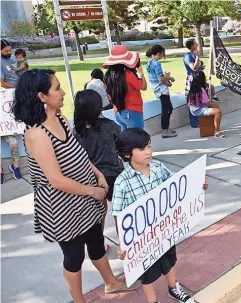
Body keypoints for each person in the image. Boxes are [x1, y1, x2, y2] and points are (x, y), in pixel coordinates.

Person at [12, 69, 140, 302]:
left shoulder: (60, 119)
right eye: (57, 88)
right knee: (73, 256)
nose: (62, 93)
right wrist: (94, 191)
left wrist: (98, 173)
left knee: (96, 241)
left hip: (85, 196)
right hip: (62, 205)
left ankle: (111, 283)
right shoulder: (36, 134)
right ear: (42, 97)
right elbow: (56, 180)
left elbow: (78, 153)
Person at [113, 128, 206, 303]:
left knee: (168, 262)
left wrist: (198, 184)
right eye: (141, 149)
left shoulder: (158, 167)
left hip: (164, 231)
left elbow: (178, 186)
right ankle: (152, 301)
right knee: (147, 273)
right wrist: (122, 243)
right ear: (126, 154)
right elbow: (119, 216)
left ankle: (173, 288)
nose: (148, 152)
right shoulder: (122, 182)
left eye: (149, 146)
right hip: (143, 240)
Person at [73, 89, 125, 253]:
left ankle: (99, 245)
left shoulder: (76, 133)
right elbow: (122, 145)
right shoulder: (110, 126)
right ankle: (124, 245)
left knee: (99, 214)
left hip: (92, 180)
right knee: (120, 213)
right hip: (116, 176)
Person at [103, 45, 147, 131]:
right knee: (138, 139)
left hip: (118, 112)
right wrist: (141, 74)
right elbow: (143, 87)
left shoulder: (107, 76)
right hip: (132, 112)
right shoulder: (128, 75)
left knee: (126, 140)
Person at [183, 38, 219, 128]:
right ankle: (194, 122)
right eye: (195, 44)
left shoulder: (193, 54)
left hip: (197, 78)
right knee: (193, 100)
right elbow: (193, 68)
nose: (197, 45)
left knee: (204, 93)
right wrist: (198, 57)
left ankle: (202, 121)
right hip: (192, 79)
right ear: (191, 46)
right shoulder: (188, 56)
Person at [1, 39, 22, 184]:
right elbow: (2, 82)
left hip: (12, 99)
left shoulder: (14, 59)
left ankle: (16, 167)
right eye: (6, 51)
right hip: (7, 95)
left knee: (14, 143)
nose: (9, 53)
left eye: (9, 50)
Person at [146, 44, 177, 138]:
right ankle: (165, 131)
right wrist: (170, 78)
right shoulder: (156, 63)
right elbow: (160, 78)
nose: (163, 56)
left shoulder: (149, 62)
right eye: (162, 54)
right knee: (166, 110)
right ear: (159, 53)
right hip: (161, 90)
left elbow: (156, 76)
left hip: (156, 89)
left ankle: (166, 127)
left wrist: (165, 76)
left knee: (169, 109)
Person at [187, 70, 224, 138]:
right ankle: (217, 131)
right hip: (198, 110)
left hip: (194, 109)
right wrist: (214, 107)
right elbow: (207, 104)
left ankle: (213, 126)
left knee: (216, 107)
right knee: (217, 112)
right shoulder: (201, 90)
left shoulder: (193, 88)